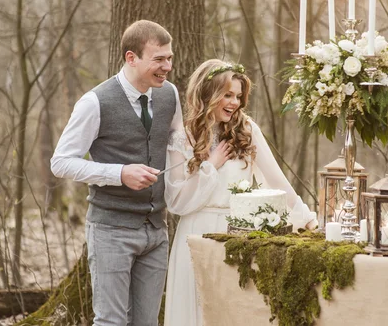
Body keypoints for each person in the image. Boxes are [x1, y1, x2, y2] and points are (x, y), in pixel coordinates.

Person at [163, 59, 318, 326]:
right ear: (208, 92)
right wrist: (211, 165)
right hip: (195, 234)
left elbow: (278, 181)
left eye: (238, 96)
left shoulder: (246, 131)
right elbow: (176, 201)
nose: (234, 102)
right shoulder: (183, 136)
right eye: (227, 94)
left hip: (237, 236)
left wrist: (307, 218)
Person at [50, 20, 182, 326]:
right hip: (111, 231)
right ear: (131, 58)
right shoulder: (94, 102)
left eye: (170, 58)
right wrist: (119, 173)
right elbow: (61, 162)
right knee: (110, 322)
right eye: (159, 59)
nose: (167, 67)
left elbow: (180, 143)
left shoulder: (169, 95)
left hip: (157, 231)